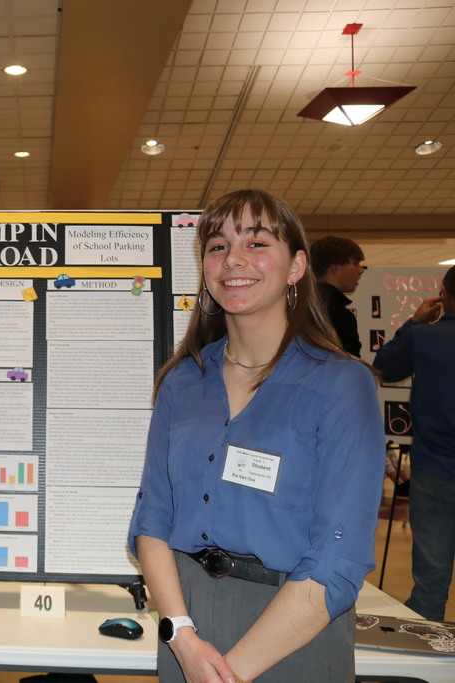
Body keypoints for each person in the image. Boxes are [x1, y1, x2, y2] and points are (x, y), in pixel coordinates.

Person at [128, 190, 384, 682]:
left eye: (257, 243)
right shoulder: (182, 381)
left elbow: (338, 557)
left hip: (294, 630)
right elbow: (152, 520)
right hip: (188, 631)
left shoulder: (340, 385)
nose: (234, 260)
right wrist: (181, 636)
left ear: (296, 267)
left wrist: (228, 674)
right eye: (218, 246)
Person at [372, 265, 455, 622]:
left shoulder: (426, 337)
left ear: (444, 295)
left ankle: (429, 658)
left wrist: (415, 322)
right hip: (431, 466)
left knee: (432, 576)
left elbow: (384, 367)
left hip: (433, 467)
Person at [310, 235, 366, 356]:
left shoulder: (298, 307)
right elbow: (350, 367)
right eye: (355, 263)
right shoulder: (339, 316)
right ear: (335, 268)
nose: (361, 270)